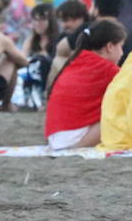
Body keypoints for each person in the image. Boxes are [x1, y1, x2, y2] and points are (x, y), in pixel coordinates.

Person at [45, 19, 127, 150]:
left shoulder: (79, 61)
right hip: (73, 140)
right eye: (121, 47)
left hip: (55, 137)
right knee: (125, 110)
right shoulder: (106, 68)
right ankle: (80, 146)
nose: (122, 53)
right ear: (110, 47)